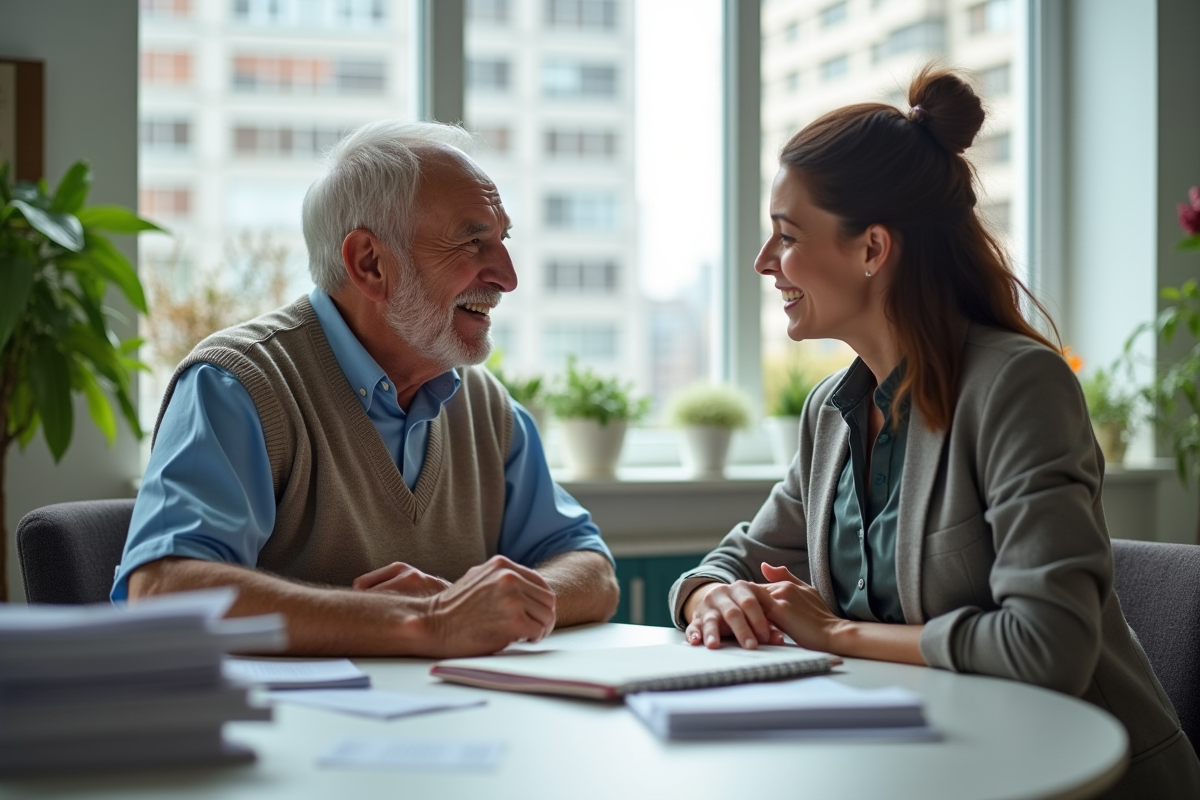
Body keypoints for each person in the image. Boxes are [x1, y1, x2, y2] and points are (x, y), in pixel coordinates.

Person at [669, 67, 1200, 797]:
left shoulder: (1019, 388)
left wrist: (836, 635)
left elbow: (1049, 648)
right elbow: (730, 562)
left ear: (872, 250)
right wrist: (708, 597)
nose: (765, 263)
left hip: (1072, 777)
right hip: (920, 763)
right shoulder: (831, 411)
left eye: (786, 237)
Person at [114, 120, 619, 658]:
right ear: (370, 263)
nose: (507, 276)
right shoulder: (238, 383)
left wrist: (484, 605)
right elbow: (162, 589)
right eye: (473, 242)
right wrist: (425, 621)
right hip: (280, 733)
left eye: (503, 240)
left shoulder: (484, 406)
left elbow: (593, 572)